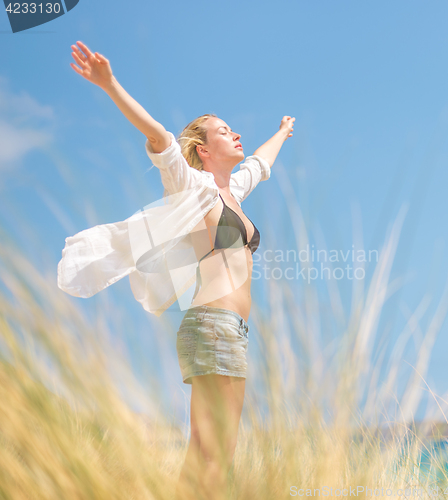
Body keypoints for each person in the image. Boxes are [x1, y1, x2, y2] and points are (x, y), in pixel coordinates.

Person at [62, 41, 294, 500]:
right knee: (211, 451)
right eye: (223, 131)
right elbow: (161, 141)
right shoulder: (193, 186)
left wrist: (283, 132)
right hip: (210, 324)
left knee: (219, 452)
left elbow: (259, 165)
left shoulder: (234, 195)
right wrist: (110, 85)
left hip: (234, 329)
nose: (235, 134)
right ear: (203, 150)